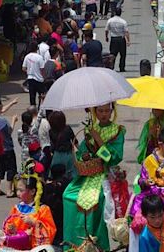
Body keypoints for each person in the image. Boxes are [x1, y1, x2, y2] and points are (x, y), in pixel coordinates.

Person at [63, 103, 126, 251]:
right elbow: (82, 152)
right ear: (95, 112)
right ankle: (73, 244)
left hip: (105, 173)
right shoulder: (89, 129)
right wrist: (83, 155)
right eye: (100, 111)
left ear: (112, 111)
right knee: (67, 195)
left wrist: (98, 139)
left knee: (97, 200)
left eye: (107, 111)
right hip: (88, 173)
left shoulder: (117, 131)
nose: (104, 114)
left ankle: (95, 244)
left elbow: (113, 157)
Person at [0, 163, 56, 249]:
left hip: (33, 248)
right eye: (17, 190)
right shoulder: (16, 208)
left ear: (32, 192)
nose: (18, 193)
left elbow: (50, 231)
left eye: (21, 190)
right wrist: (12, 229)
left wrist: (34, 223)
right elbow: (10, 224)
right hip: (17, 246)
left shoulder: (43, 209)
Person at [0, 98, 19, 197]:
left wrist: (11, 103)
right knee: (11, 168)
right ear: (0, 106)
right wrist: (13, 120)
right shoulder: (3, 121)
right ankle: (9, 191)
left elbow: (1, 111)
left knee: (0, 167)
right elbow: (10, 131)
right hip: (7, 148)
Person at [41, 164, 69, 247]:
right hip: (62, 213)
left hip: (51, 214)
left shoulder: (48, 187)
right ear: (64, 173)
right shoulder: (67, 184)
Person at [49, 111, 77, 180]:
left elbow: (52, 144)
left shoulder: (51, 131)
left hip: (57, 155)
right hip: (68, 155)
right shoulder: (67, 128)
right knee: (71, 175)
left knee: (57, 174)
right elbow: (75, 141)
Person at [105, 8, 130, 72]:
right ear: (120, 13)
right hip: (121, 39)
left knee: (113, 54)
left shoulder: (110, 20)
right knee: (123, 54)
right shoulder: (123, 21)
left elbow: (106, 30)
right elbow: (126, 32)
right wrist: (128, 40)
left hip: (113, 39)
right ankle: (122, 67)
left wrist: (106, 37)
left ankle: (111, 66)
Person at [22, 41, 46, 107]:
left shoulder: (27, 57)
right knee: (43, 95)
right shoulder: (39, 57)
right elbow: (42, 69)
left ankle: (33, 111)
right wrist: (44, 77)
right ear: (37, 48)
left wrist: (29, 71)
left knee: (32, 96)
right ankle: (43, 108)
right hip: (39, 79)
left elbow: (23, 68)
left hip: (30, 79)